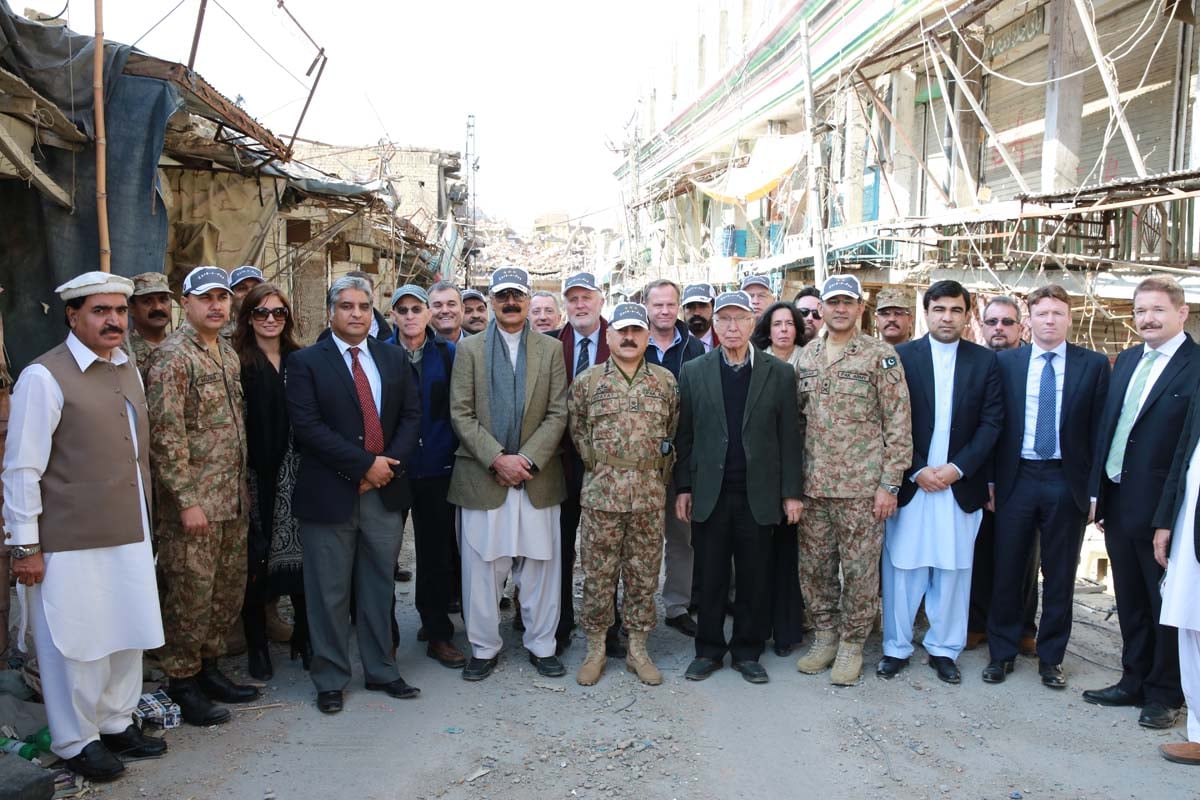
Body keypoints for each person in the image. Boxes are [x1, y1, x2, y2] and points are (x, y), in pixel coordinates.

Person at [2, 272, 167, 781]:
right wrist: (24, 544)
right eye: (100, 311)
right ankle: (77, 740)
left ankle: (117, 721)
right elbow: (22, 468)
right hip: (69, 539)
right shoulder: (43, 377)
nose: (114, 320)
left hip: (130, 528)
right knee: (75, 641)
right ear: (73, 316)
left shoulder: (128, 368)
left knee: (126, 630)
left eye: (120, 310)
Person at [285, 275, 421, 714]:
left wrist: (384, 468)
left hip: (384, 493)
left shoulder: (394, 358)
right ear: (331, 312)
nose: (356, 314)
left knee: (379, 586)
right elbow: (307, 428)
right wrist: (363, 465)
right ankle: (330, 677)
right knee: (328, 591)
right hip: (331, 494)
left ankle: (382, 669)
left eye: (364, 306)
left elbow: (411, 418)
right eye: (346, 306)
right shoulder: (306, 362)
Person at [1082, 276, 1200, 728]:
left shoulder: (1194, 366)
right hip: (1118, 497)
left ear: (1181, 313)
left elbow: (1187, 450)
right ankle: (1133, 679)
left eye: (1157, 310)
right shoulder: (1128, 360)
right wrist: (1097, 493)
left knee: (1163, 603)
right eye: (1139, 311)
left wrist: (1167, 517)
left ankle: (1166, 694)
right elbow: (1109, 429)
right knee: (1129, 597)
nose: (1147, 319)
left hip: (1164, 509)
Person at [146, 266, 258, 726]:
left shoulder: (227, 353)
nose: (216, 305)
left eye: (222, 297)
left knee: (224, 593)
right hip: (194, 507)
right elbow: (165, 436)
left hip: (230, 498)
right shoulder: (173, 358)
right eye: (205, 298)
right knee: (190, 594)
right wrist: (186, 500)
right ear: (185, 304)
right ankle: (182, 681)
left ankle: (210, 670)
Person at [984, 284, 1109, 689]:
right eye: (1042, 314)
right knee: (1008, 569)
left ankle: (1051, 657)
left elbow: (1099, 432)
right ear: (1029, 321)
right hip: (1016, 478)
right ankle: (1000, 653)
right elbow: (995, 426)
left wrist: (1094, 491)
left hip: (1064, 480)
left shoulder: (1091, 365)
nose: (1050, 320)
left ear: (1068, 318)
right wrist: (990, 479)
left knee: (1059, 575)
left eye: (1057, 313)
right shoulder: (1008, 364)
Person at [675, 291, 803, 685]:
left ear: (753, 323)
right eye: (724, 319)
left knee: (754, 576)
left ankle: (748, 650)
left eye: (740, 319)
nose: (732, 327)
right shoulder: (694, 371)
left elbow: (790, 438)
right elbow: (686, 435)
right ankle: (709, 650)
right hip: (711, 490)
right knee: (710, 576)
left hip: (758, 492)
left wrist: (791, 492)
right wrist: (683, 487)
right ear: (714, 325)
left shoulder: (779, 373)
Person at [878, 281, 1002, 684]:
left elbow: (991, 424)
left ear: (967, 315)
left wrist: (956, 469)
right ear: (926, 312)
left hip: (957, 484)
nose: (946, 317)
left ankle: (943, 649)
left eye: (955, 310)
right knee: (902, 567)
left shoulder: (985, 363)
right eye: (939, 309)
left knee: (952, 570)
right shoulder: (901, 357)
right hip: (913, 482)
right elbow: (887, 421)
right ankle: (896, 648)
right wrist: (917, 469)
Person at [449, 266, 569, 681]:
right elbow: (460, 413)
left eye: (518, 295)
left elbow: (558, 412)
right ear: (491, 300)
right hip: (485, 475)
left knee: (540, 567)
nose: (511, 302)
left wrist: (528, 460)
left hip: (537, 476)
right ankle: (483, 648)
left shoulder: (551, 350)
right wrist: (498, 458)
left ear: (528, 298)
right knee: (484, 568)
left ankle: (543, 645)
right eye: (503, 296)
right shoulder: (469, 350)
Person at [794, 274, 912, 686]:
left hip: (862, 489)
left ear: (861, 308)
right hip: (814, 486)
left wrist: (890, 484)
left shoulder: (880, 357)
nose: (840, 309)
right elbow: (795, 423)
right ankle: (825, 634)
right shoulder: (806, 357)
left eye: (848, 302)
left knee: (860, 571)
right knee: (815, 568)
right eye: (833, 302)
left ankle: (852, 642)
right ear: (821, 308)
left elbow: (898, 425)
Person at [569, 302, 679, 686]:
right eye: (622, 331)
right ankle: (596, 647)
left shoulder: (665, 382)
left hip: (649, 496)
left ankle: (637, 649)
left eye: (637, 331)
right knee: (598, 574)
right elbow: (578, 431)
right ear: (610, 336)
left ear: (648, 336)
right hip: (602, 495)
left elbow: (672, 431)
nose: (629, 338)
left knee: (644, 575)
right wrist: (603, 466)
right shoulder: (587, 382)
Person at [385, 285, 466, 669]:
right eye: (402, 310)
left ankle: (437, 632)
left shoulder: (448, 355)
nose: (410, 316)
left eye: (417, 308)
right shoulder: (380, 355)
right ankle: (384, 636)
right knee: (383, 555)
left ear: (428, 314)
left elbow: (459, 410)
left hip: (436, 467)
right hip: (391, 470)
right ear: (393, 316)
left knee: (436, 555)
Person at [231, 282, 309, 681]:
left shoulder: (300, 359)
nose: (270, 320)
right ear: (248, 318)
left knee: (301, 558)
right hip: (255, 474)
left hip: (297, 473)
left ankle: (304, 638)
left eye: (278, 312)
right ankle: (258, 646)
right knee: (256, 562)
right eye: (261, 313)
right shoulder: (236, 360)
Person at [554, 271, 622, 656]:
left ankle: (608, 629)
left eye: (587, 298)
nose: (580, 305)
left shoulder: (621, 340)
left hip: (608, 468)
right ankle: (559, 625)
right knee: (561, 548)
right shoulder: (551, 345)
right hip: (560, 464)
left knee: (606, 551)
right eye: (573, 299)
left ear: (600, 300)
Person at [967, 296, 1039, 654]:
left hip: (1024, 476)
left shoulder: (1033, 363)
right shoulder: (975, 362)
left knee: (1025, 557)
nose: (999, 328)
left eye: (1007, 322)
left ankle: (1025, 626)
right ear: (981, 325)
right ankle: (977, 623)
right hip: (978, 472)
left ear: (1020, 326)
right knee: (979, 551)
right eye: (992, 321)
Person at [643, 280, 705, 638]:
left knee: (682, 536)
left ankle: (677, 605)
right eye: (658, 305)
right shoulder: (632, 342)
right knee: (642, 540)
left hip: (683, 458)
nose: (665, 311)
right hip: (642, 462)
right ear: (647, 307)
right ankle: (636, 607)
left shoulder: (695, 349)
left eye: (671, 305)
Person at [749, 300, 809, 655]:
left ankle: (788, 627)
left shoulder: (812, 358)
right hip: (762, 470)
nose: (784, 329)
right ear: (767, 330)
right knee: (759, 554)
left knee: (791, 554)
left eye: (789, 323)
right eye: (777, 324)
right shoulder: (754, 361)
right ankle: (758, 624)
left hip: (805, 465)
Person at [1150, 384, 1200, 765]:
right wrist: (1167, 520)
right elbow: (1184, 453)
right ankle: (1198, 732)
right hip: (1189, 526)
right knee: (1188, 623)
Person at [125, 271, 172, 379]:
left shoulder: (181, 346)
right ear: (131, 308)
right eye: (147, 301)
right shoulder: (121, 351)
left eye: (163, 300)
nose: (157, 307)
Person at [223, 266, 264, 340]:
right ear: (231, 297)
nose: (250, 292)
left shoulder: (277, 329)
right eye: (242, 288)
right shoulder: (218, 335)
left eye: (256, 288)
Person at [682, 283, 718, 352]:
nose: (696, 312)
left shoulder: (726, 341)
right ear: (683, 310)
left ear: (713, 308)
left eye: (702, 306)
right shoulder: (670, 342)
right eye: (690, 306)